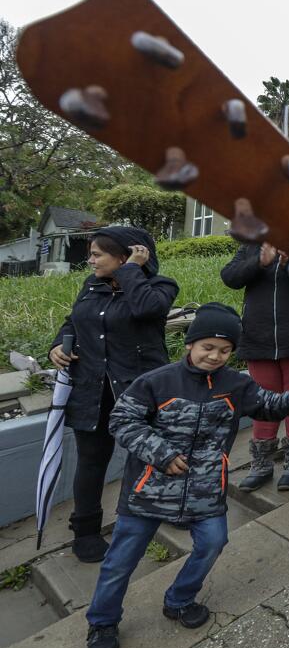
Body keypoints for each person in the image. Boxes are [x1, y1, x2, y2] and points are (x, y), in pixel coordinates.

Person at [83, 303, 289, 648]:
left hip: (204, 491)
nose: (216, 356)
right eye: (208, 347)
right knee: (120, 561)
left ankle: (179, 599)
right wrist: (161, 453)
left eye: (225, 350)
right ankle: (102, 623)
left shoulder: (236, 384)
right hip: (148, 492)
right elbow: (122, 420)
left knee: (214, 541)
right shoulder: (156, 381)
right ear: (190, 344)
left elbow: (267, 404)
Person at [49, 227, 178, 563]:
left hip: (139, 392)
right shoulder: (91, 286)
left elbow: (148, 310)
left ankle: (162, 510)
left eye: (97, 254)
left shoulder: (159, 287)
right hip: (92, 391)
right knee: (91, 462)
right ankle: (86, 530)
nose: (90, 260)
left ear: (124, 256)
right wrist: (57, 346)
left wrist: (132, 271)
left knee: (150, 456)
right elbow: (73, 322)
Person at [220, 241, 289, 491]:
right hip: (258, 337)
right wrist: (260, 262)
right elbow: (230, 276)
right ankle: (261, 463)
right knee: (262, 402)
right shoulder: (252, 246)